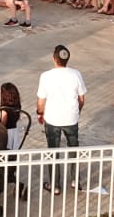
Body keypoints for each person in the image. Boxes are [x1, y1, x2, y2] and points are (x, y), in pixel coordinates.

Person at [36, 45, 87, 194]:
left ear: (54, 59)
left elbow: (41, 101)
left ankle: (55, 185)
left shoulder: (46, 76)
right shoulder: (76, 74)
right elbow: (82, 98)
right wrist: (77, 111)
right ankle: (75, 180)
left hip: (52, 119)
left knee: (53, 150)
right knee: (73, 147)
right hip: (71, 118)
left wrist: (40, 113)